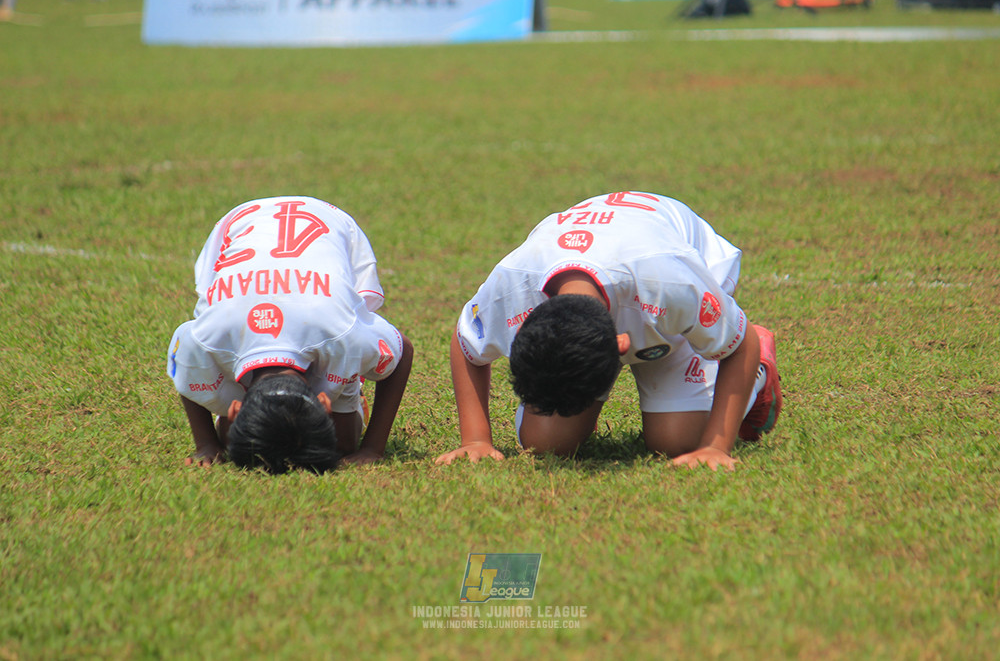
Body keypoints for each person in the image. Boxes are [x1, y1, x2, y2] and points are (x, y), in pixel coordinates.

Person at [435, 191, 782, 472]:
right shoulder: (512, 288)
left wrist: (715, 447)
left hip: (674, 282)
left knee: (677, 441)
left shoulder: (672, 284)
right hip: (617, 278)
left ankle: (760, 374)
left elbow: (741, 345)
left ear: (622, 345)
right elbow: (466, 343)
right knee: (545, 443)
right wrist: (476, 440)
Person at [167, 196, 413, 472]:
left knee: (343, 444)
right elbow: (185, 358)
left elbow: (402, 349)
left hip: (326, 223)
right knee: (318, 441)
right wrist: (207, 444)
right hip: (247, 234)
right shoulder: (203, 341)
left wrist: (373, 448)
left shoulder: (346, 337)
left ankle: (351, 386)